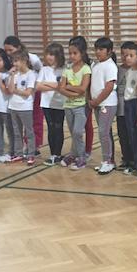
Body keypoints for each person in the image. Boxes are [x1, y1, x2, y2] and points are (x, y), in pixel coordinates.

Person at [3, 36, 43, 156]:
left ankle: (35, 148)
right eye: (6, 50)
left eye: (10, 50)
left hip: (32, 90)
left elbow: (41, 71)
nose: (8, 53)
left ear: (19, 48)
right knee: (18, 126)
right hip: (17, 95)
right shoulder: (10, 60)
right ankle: (20, 150)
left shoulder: (33, 58)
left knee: (35, 120)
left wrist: (32, 86)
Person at [58, 36, 92, 170]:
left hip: (81, 106)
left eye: (75, 53)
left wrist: (68, 87)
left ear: (82, 53)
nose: (72, 56)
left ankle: (82, 158)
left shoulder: (86, 69)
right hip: (68, 106)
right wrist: (73, 92)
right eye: (70, 53)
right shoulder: (67, 70)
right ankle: (73, 155)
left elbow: (83, 88)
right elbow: (61, 88)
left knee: (78, 132)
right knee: (73, 132)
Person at [89, 37, 118, 174]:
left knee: (103, 132)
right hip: (98, 104)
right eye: (96, 49)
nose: (98, 52)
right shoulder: (96, 65)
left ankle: (108, 161)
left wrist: (96, 101)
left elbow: (109, 87)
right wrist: (91, 100)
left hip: (107, 103)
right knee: (105, 132)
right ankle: (109, 159)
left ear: (109, 51)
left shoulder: (110, 66)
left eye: (101, 49)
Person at [35, 43, 66, 165]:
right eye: (47, 54)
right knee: (51, 128)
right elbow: (38, 86)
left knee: (58, 128)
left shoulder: (64, 70)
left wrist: (46, 83)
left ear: (58, 55)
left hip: (60, 103)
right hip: (46, 104)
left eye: (51, 54)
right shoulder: (44, 69)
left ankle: (58, 154)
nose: (48, 57)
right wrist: (55, 86)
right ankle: (53, 154)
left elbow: (62, 86)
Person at [8, 50, 38, 165]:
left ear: (24, 60)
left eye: (16, 61)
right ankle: (18, 154)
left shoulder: (31, 75)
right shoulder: (15, 74)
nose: (14, 64)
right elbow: (11, 89)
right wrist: (12, 75)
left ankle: (31, 154)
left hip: (25, 107)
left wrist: (16, 91)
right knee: (17, 132)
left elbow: (27, 93)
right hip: (13, 106)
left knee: (29, 132)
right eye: (13, 61)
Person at [122, 42, 137, 176]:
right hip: (127, 104)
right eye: (126, 55)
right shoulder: (128, 72)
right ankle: (135, 162)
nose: (127, 58)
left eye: (131, 56)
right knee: (131, 135)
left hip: (136, 104)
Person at [115, 41, 135, 171]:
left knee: (132, 136)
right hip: (120, 109)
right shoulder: (117, 70)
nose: (126, 57)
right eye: (123, 54)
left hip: (132, 109)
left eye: (129, 55)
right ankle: (126, 159)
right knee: (123, 136)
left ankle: (134, 160)